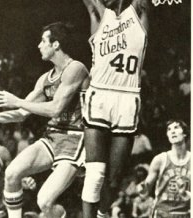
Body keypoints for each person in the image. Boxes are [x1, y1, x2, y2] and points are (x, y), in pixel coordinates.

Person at [0, 21, 90, 218]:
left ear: (56, 44)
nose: (39, 45)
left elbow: (55, 108)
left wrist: (17, 100)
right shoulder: (46, 78)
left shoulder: (75, 68)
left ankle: (60, 214)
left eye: (43, 40)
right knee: (11, 173)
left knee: (44, 202)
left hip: (76, 139)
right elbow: (20, 113)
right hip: (53, 138)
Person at [81, 0, 149, 217]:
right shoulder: (99, 15)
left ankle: (103, 215)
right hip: (100, 94)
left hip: (127, 97)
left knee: (114, 178)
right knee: (95, 174)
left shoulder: (139, 13)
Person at [137, 119, 190, 218]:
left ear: (185, 134)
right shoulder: (160, 159)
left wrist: (185, 193)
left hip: (185, 213)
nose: (172, 131)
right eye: (169, 129)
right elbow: (145, 191)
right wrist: (142, 187)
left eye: (176, 127)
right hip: (162, 213)